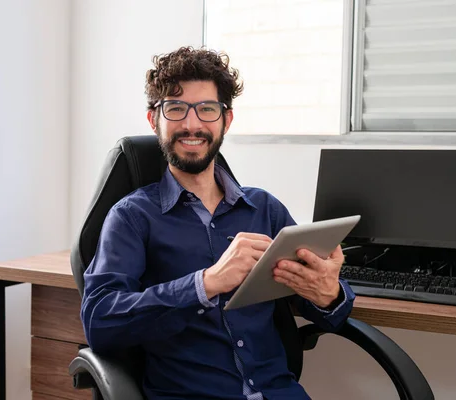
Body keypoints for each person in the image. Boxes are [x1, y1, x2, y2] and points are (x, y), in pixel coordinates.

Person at [80, 46, 355, 400]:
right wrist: (206, 282)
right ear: (154, 120)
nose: (192, 125)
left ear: (226, 120)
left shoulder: (265, 210)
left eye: (207, 110)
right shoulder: (131, 217)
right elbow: (100, 322)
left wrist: (328, 294)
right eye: (176, 109)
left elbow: (332, 312)